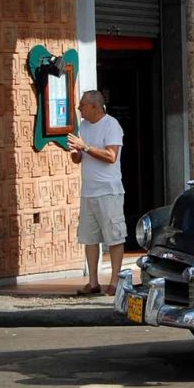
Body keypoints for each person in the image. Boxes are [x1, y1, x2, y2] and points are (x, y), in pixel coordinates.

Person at [67, 90, 126, 296]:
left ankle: (115, 282)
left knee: (114, 237)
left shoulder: (111, 125)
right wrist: (76, 152)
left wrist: (86, 146)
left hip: (109, 191)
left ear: (94, 106)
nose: (79, 108)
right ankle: (93, 282)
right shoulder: (83, 126)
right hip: (88, 192)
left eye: (82, 105)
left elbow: (111, 156)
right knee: (89, 238)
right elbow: (80, 158)